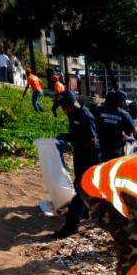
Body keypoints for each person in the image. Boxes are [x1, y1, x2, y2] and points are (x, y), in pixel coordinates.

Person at [51, 91, 102, 238]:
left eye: (63, 106)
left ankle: (71, 226)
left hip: (90, 158)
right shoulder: (73, 115)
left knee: (79, 192)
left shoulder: (85, 116)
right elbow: (77, 135)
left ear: (70, 104)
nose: (63, 110)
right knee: (84, 190)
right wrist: (65, 137)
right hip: (81, 158)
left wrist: (75, 146)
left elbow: (93, 141)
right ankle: (85, 214)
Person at [93, 90, 137, 161]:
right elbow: (135, 132)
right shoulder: (123, 114)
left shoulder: (98, 110)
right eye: (124, 101)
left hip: (99, 149)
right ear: (121, 101)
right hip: (115, 151)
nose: (124, 103)